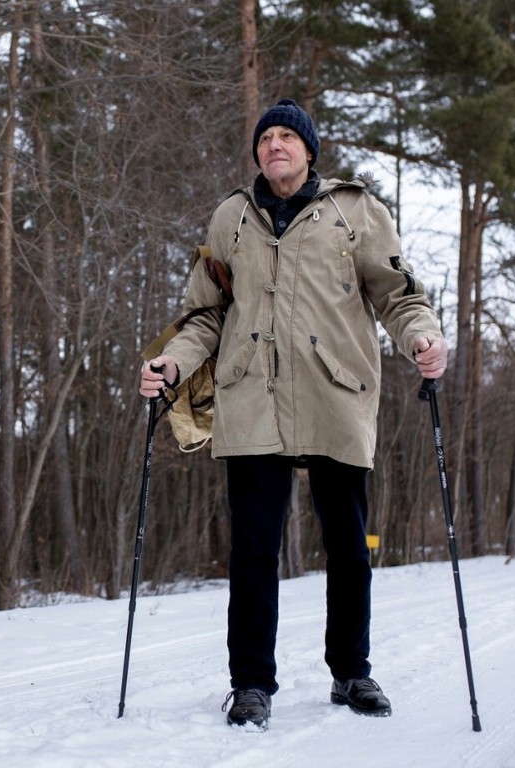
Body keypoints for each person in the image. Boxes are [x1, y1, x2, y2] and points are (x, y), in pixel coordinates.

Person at [139, 98, 448, 731]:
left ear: (310, 150)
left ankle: (352, 671)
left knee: (348, 543)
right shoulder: (232, 217)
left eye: (288, 137)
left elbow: (396, 294)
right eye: (266, 137)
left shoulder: (354, 210)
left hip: (336, 393)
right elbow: (205, 314)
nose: (275, 145)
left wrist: (422, 337)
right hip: (250, 396)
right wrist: (170, 362)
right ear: (257, 152)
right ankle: (251, 683)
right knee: (254, 546)